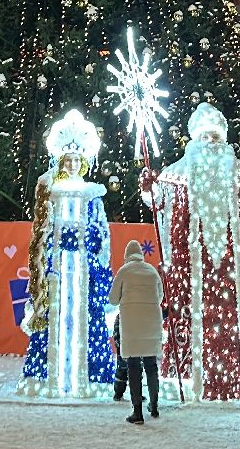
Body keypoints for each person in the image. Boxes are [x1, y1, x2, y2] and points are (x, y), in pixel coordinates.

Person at [143, 102, 240, 402]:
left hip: (235, 275)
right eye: (204, 138)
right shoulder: (177, 177)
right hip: (192, 276)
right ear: (194, 141)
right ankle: (182, 379)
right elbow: (159, 204)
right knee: (189, 322)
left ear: (224, 140)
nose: (209, 145)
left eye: (214, 138)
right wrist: (148, 188)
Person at [18, 108, 115, 399]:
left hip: (85, 269)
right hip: (58, 269)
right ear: (61, 161)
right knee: (51, 320)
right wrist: (61, 238)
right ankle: (44, 377)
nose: (72, 164)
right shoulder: (51, 191)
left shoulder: (92, 194)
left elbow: (101, 232)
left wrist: (81, 236)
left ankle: (93, 379)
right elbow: (45, 232)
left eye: (76, 160)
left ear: (83, 163)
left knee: (90, 322)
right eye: (67, 160)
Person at [108, 239, 164, 425]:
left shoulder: (123, 272)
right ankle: (154, 406)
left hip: (131, 326)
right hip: (151, 324)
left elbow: (113, 299)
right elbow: (160, 296)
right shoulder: (152, 271)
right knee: (151, 364)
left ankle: (137, 412)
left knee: (133, 365)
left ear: (126, 256)